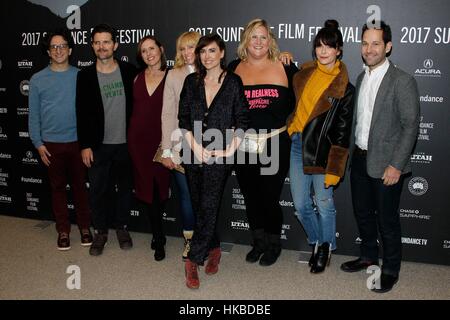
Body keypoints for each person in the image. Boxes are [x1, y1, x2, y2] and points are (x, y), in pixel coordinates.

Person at [340, 21, 420, 293]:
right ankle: (368, 256)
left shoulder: (402, 80)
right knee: (363, 214)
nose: (369, 49)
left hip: (387, 164)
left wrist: (396, 165)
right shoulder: (362, 78)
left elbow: (410, 125)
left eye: (376, 43)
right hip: (360, 159)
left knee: (387, 220)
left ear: (388, 46)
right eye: (365, 43)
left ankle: (391, 269)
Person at [179, 34, 249, 289]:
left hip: (219, 158)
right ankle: (215, 248)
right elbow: (183, 120)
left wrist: (230, 150)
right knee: (200, 207)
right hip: (192, 153)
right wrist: (196, 148)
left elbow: (242, 120)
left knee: (209, 205)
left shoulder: (233, 82)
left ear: (221, 53)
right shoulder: (191, 82)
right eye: (202, 52)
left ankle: (192, 260)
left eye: (212, 51)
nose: (206, 56)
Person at [229, 18, 298, 266]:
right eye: (253, 37)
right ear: (246, 41)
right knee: (250, 196)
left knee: (270, 197)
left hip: (275, 144)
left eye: (263, 37)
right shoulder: (234, 67)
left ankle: (273, 243)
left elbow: (304, 101)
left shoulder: (286, 67)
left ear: (270, 41)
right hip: (244, 145)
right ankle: (257, 242)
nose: (258, 41)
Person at [287, 20, 354, 273]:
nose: (323, 51)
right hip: (297, 144)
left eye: (329, 46)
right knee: (301, 205)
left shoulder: (344, 89)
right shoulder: (304, 74)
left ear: (339, 50)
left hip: (324, 152)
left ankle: (325, 246)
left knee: (324, 203)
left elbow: (342, 132)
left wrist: (335, 168)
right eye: (319, 46)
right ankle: (316, 241)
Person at [76, 24, 137, 256]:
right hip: (98, 146)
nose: (102, 46)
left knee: (124, 189)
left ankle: (121, 227)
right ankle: (100, 231)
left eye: (106, 42)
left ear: (115, 45)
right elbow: (80, 112)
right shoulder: (85, 76)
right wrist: (85, 145)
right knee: (98, 191)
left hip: (126, 144)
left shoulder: (130, 71)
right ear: (92, 46)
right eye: (97, 42)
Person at [28, 29, 92, 251]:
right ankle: (63, 230)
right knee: (57, 189)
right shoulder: (37, 79)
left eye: (62, 46)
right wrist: (38, 143)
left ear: (70, 49)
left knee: (80, 188)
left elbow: (88, 113)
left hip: (77, 143)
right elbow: (33, 115)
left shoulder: (81, 76)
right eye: (54, 47)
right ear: (48, 51)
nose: (58, 50)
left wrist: (87, 143)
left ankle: (85, 227)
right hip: (51, 145)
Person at [128, 36, 170, 261]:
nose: (148, 53)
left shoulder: (173, 76)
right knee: (149, 190)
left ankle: (158, 233)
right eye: (143, 51)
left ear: (161, 49)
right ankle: (159, 237)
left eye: (152, 48)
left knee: (160, 189)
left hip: (163, 142)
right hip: (138, 142)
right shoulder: (136, 78)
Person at [161, 31, 200, 261]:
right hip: (179, 146)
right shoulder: (173, 75)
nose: (187, 53)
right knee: (186, 195)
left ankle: (206, 240)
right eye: (183, 48)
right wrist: (167, 149)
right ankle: (189, 241)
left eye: (191, 47)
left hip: (208, 146)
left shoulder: (213, 73)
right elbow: (167, 113)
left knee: (205, 196)